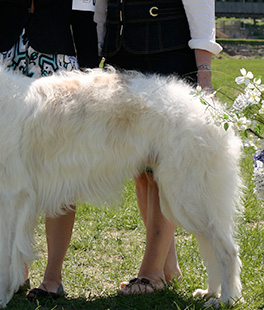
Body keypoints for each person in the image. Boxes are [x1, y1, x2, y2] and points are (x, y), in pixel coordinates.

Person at [0, 0, 99, 300]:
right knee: (9, 179)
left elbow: (85, 19)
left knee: (62, 174)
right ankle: (13, 274)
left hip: (59, 70)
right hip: (3, 63)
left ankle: (52, 278)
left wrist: (89, 77)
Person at [95, 0, 221, 294]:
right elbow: (102, 6)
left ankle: (150, 273)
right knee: (140, 169)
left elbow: (201, 10)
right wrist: (99, 51)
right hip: (121, 58)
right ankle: (166, 268)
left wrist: (204, 76)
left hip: (168, 60)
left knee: (162, 170)